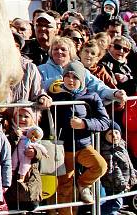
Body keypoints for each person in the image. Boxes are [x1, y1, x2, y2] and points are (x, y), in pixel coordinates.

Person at [48, 61, 109, 211]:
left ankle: (83, 184)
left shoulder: (91, 96)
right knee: (65, 187)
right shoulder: (54, 95)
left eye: (74, 77)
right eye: (67, 76)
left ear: (81, 79)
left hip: (83, 145)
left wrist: (84, 123)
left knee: (100, 166)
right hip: (63, 148)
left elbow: (104, 121)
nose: (70, 80)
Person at [100, 122, 137, 215]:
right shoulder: (107, 150)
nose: (114, 136)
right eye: (110, 134)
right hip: (114, 184)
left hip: (123, 181)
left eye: (116, 132)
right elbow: (113, 170)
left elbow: (129, 163)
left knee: (115, 204)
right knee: (116, 203)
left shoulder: (121, 146)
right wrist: (122, 184)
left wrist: (133, 176)